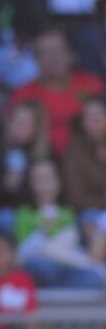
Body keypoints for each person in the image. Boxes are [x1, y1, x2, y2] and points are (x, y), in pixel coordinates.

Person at [8, 27, 103, 156]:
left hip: (92, 159)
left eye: (58, 51)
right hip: (42, 161)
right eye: (45, 53)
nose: (53, 58)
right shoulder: (23, 95)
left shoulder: (93, 85)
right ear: (35, 59)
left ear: (71, 55)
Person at [14, 158, 104, 288]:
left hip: (66, 268)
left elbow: (70, 246)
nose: (45, 185)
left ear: (58, 181)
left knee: (93, 278)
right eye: (39, 179)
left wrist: (47, 249)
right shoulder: (24, 214)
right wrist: (41, 234)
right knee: (45, 267)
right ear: (30, 183)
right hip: (40, 267)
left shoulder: (67, 213)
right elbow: (21, 255)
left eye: (49, 178)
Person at [0, 100, 51, 226]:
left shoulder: (42, 157)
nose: (19, 128)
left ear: (36, 129)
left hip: (32, 213)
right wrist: (5, 186)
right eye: (17, 121)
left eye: (26, 124)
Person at [64, 97, 106, 258]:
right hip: (89, 212)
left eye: (98, 117)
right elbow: (76, 196)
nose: (92, 123)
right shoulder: (75, 149)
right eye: (88, 118)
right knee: (90, 220)